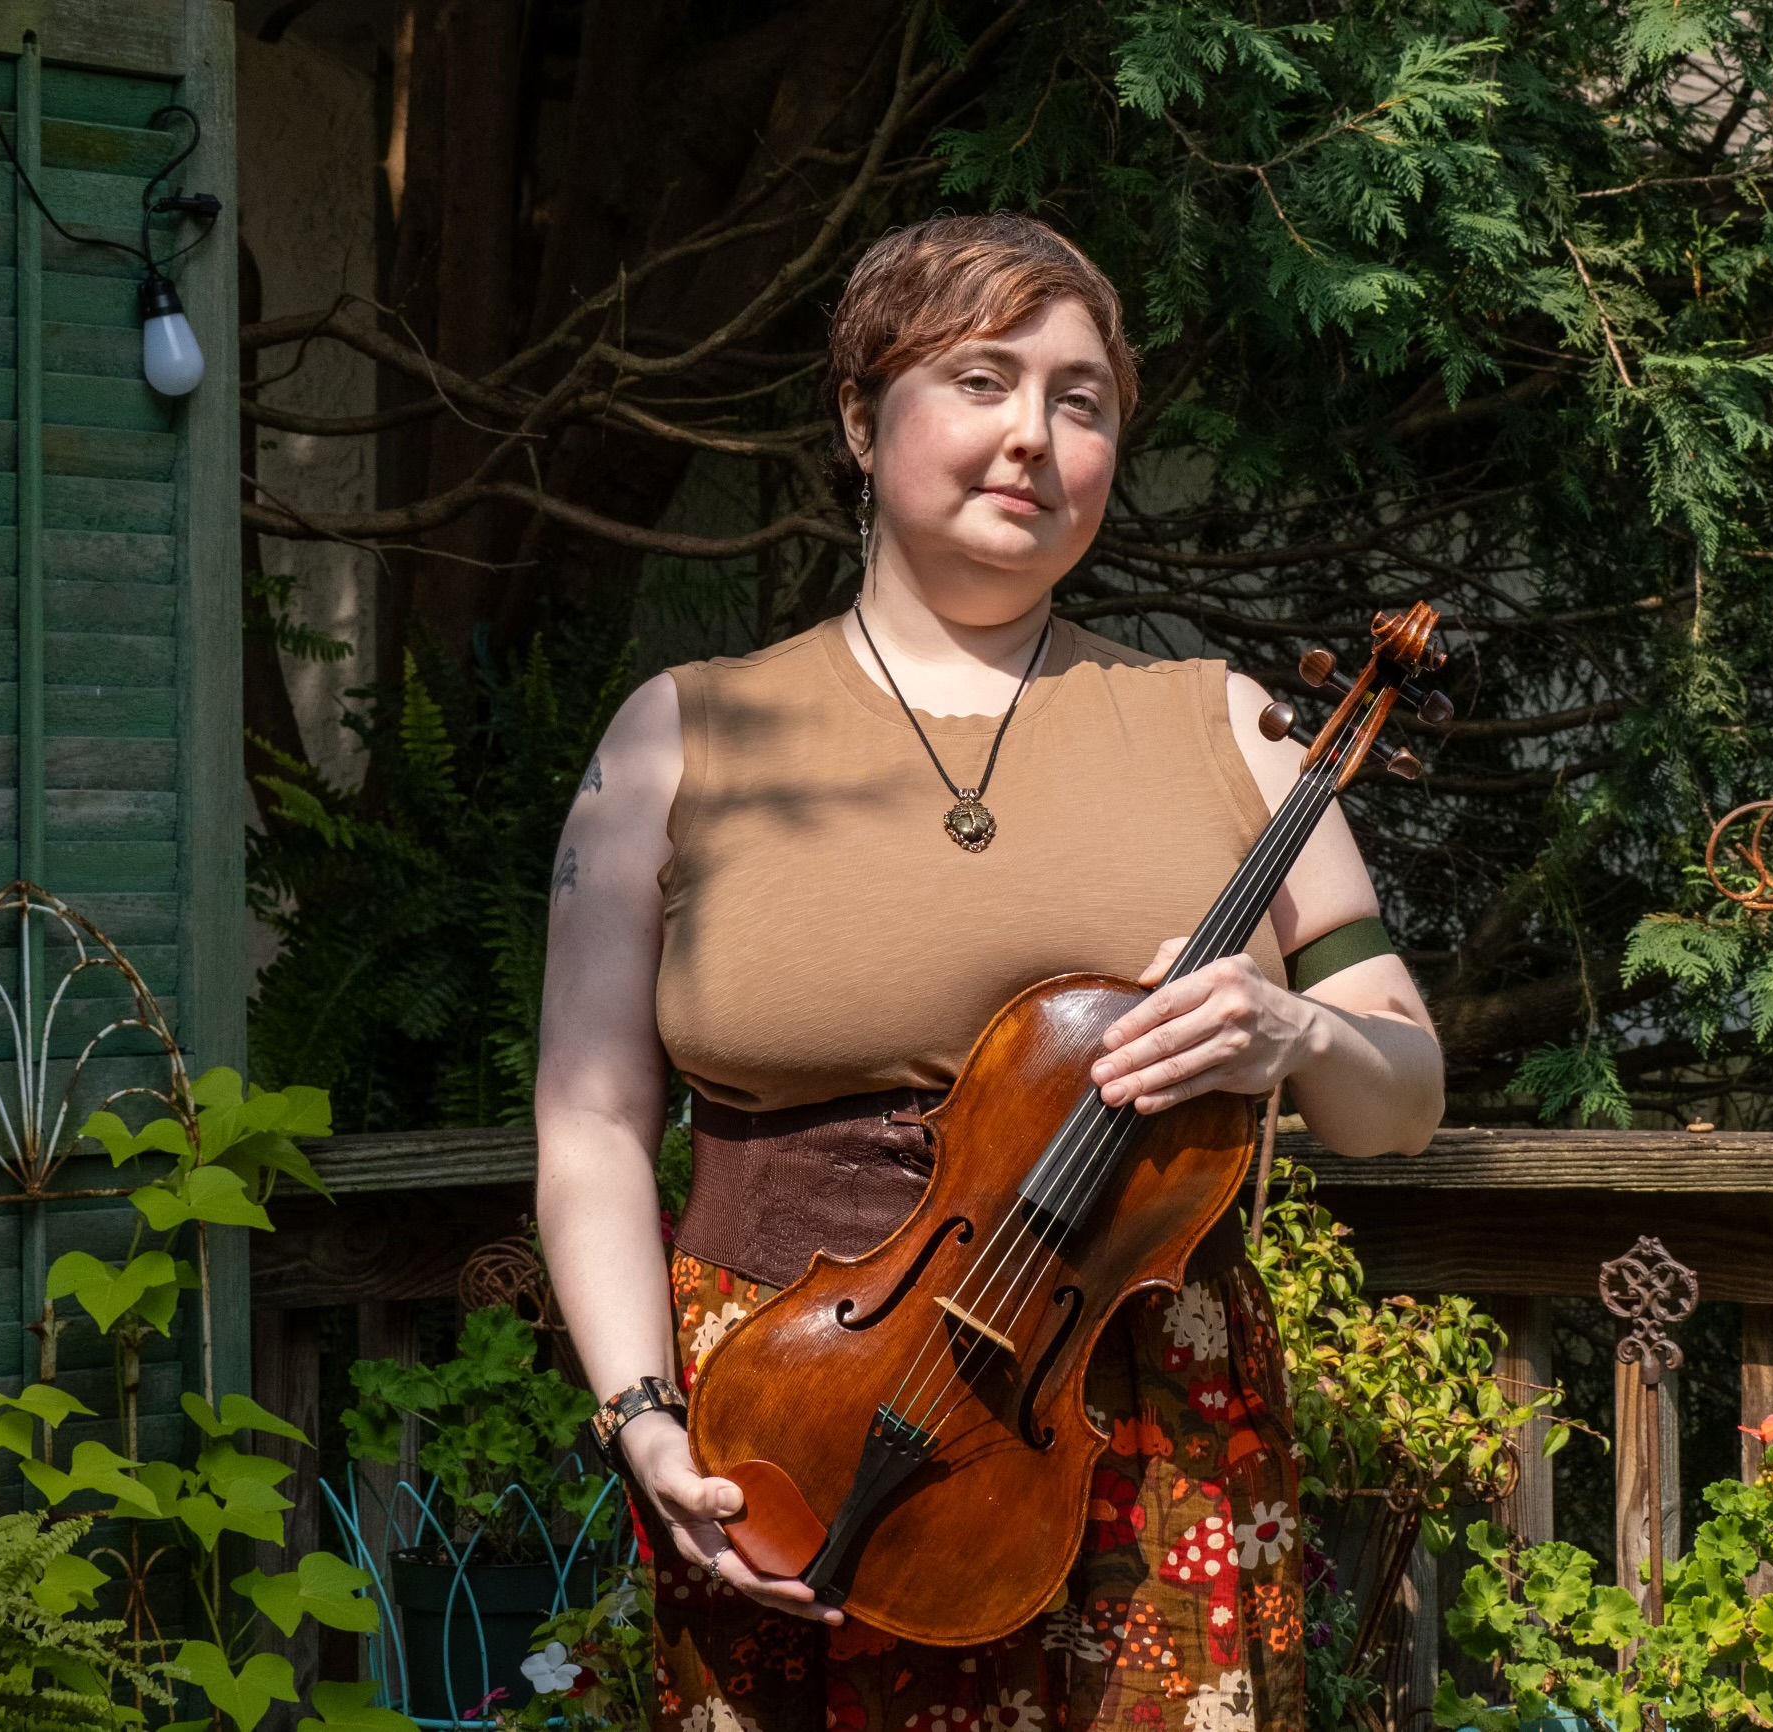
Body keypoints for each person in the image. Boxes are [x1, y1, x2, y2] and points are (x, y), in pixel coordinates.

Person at [534, 213, 1444, 1732]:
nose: (1033, 435)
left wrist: (1293, 1032)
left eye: (1080, 401)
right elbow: (592, 1123)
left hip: (1132, 1432)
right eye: (981, 379)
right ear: (859, 413)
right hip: (783, 1423)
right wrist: (640, 1417)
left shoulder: (1233, 732)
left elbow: (1400, 1093)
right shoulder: (681, 736)